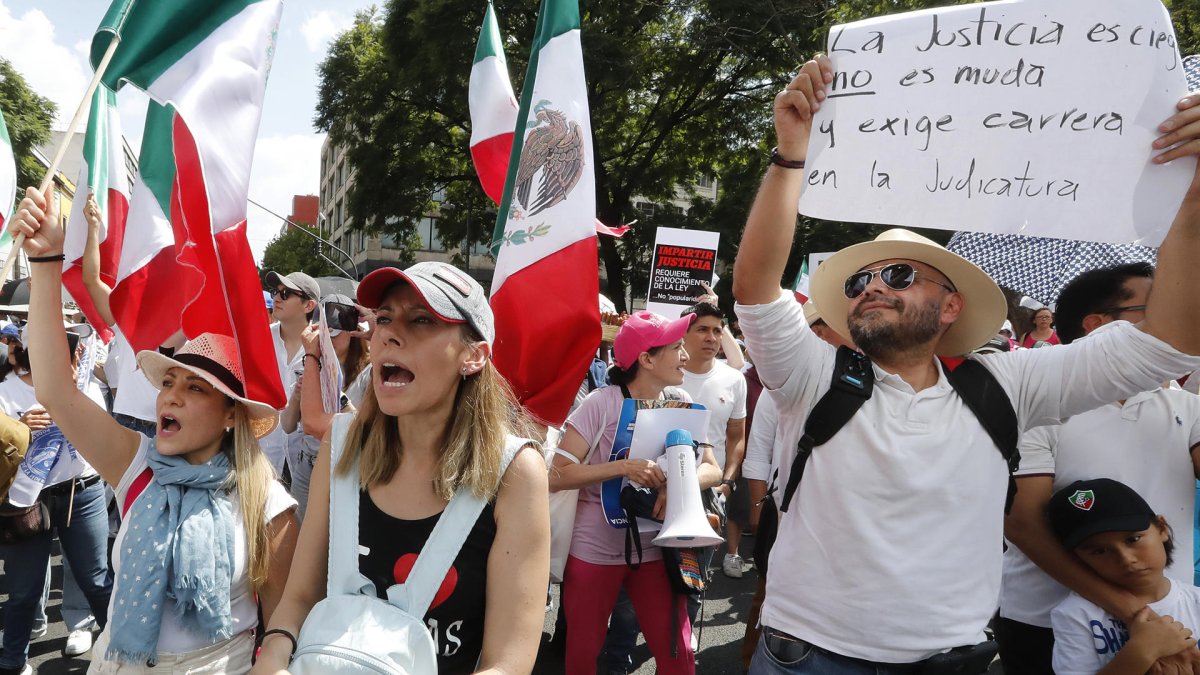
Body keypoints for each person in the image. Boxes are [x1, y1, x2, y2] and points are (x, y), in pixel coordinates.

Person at [731, 53, 1200, 672]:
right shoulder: (813, 376)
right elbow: (756, 287)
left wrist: (1193, 188)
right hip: (808, 658)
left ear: (951, 306)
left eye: (898, 274)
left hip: (955, 660)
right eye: (860, 281)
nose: (872, 286)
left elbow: (1165, 340)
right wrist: (791, 153)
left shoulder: (1007, 384)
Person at [9, 186, 300, 674]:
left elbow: (283, 622)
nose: (171, 395)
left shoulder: (267, 502)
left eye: (196, 388)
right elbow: (57, 393)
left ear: (232, 414)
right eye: (169, 382)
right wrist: (46, 264)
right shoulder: (138, 465)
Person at [254, 262, 549, 675]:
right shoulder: (341, 444)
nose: (388, 334)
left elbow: (510, 662)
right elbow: (299, 597)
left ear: (474, 355)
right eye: (386, 318)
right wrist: (273, 655)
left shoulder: (516, 472)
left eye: (423, 320)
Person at [998, 262, 1200, 673]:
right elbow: (1022, 523)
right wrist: (1135, 612)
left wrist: (1156, 620)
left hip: (1172, 621)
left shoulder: (1185, 405)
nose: (1178, 315)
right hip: (1047, 618)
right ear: (1098, 325)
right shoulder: (1033, 403)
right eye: (1157, 307)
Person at [550, 310, 723, 675]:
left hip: (659, 548)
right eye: (676, 347)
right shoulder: (601, 402)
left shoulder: (678, 397)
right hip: (593, 550)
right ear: (646, 359)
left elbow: (712, 468)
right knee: (583, 656)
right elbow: (555, 474)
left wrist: (680, 480)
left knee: (679, 657)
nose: (685, 355)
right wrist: (624, 467)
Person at [0, 324, 113, 674]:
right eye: (65, 346)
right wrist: (18, 428)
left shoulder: (86, 389)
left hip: (84, 491)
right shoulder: (5, 391)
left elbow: (104, 440)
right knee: (23, 589)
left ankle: (122, 653)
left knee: (96, 580)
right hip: (25, 502)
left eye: (75, 346)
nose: (75, 353)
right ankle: (12, 661)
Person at [1048, 478, 1199, 673]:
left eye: (1133, 539)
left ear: (1162, 528)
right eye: (1099, 551)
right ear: (1077, 559)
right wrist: (1141, 652)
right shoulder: (1076, 614)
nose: (1126, 559)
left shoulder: (1196, 601)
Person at [281, 293, 370, 521]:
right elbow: (289, 425)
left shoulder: (366, 373)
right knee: (303, 529)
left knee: (335, 533)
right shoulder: (311, 364)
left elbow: (367, 427)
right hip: (304, 464)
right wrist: (298, 396)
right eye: (323, 334)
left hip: (343, 467)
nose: (327, 341)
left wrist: (339, 398)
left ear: (353, 334)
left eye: (334, 334)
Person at [676, 302, 748, 580]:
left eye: (717, 331)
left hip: (711, 491)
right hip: (663, 486)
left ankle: (685, 623)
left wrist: (727, 482)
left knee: (697, 574)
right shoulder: (664, 373)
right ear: (683, 333)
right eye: (702, 329)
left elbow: (736, 437)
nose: (712, 337)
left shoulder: (733, 379)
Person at [263, 269, 320, 478]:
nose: (276, 298)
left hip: (303, 464)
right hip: (260, 457)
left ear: (308, 305)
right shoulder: (259, 340)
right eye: (275, 292)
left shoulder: (322, 347)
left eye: (285, 294)